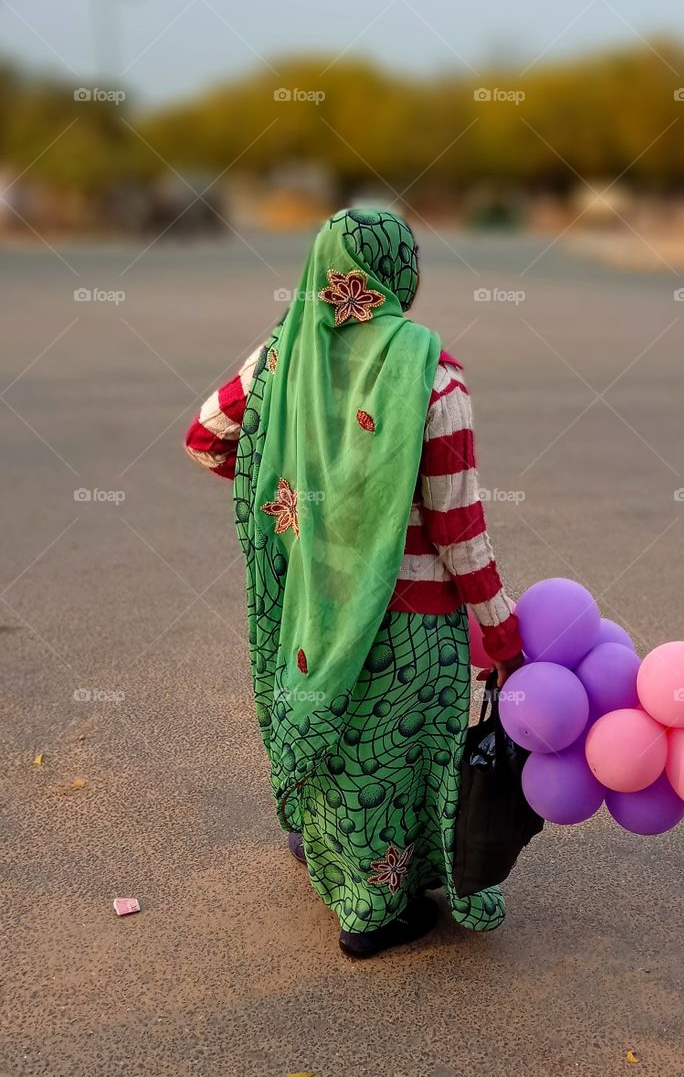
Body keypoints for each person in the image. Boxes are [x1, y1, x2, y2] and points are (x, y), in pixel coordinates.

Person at [184, 207, 523, 958]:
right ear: (402, 274)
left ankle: (339, 863)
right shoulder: (433, 375)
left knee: (340, 744)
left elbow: (206, 439)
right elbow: (456, 528)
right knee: (398, 759)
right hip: (411, 621)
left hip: (311, 603)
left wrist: (296, 514)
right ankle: (377, 911)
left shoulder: (282, 356)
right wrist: (504, 634)